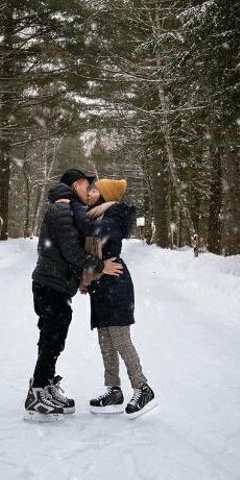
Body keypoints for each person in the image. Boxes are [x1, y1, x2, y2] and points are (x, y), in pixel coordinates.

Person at [24, 169, 124, 422]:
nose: (89, 191)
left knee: (53, 338)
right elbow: (70, 250)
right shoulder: (62, 208)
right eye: (87, 186)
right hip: (50, 283)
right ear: (76, 184)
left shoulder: (66, 207)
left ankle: (45, 385)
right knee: (51, 338)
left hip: (56, 283)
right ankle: (37, 394)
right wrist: (100, 267)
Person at [64, 178, 158, 418]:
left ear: (106, 196)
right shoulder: (97, 215)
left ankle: (142, 387)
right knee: (105, 342)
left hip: (116, 283)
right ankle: (114, 390)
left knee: (120, 339)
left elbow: (91, 231)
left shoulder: (114, 216)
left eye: (96, 190)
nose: (92, 193)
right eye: (91, 189)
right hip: (101, 284)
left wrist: (74, 208)